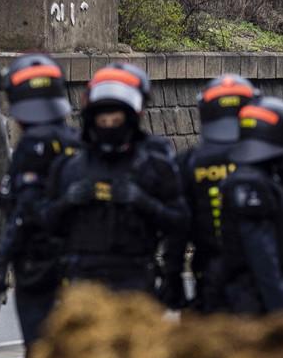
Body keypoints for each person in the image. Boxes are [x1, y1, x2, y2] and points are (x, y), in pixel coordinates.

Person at [41, 62, 188, 296]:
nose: (109, 126)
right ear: (92, 121)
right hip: (82, 285)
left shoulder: (154, 165)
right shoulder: (69, 167)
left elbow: (179, 223)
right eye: (103, 121)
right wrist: (67, 202)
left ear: (130, 119)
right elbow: (44, 223)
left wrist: (143, 202)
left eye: (116, 121)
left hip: (136, 282)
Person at [0, 54, 79, 358]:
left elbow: (24, 210)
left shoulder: (31, 146)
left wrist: (1, 263)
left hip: (36, 262)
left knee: (40, 350)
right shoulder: (76, 141)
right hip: (76, 259)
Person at [160, 74, 259, 312]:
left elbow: (177, 227)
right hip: (262, 276)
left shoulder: (190, 162)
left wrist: (171, 279)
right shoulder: (271, 158)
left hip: (210, 275)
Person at [218, 98, 283, 315]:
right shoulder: (249, 185)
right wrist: (280, 312)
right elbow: (262, 256)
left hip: (272, 291)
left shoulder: (268, 179)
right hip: (256, 302)